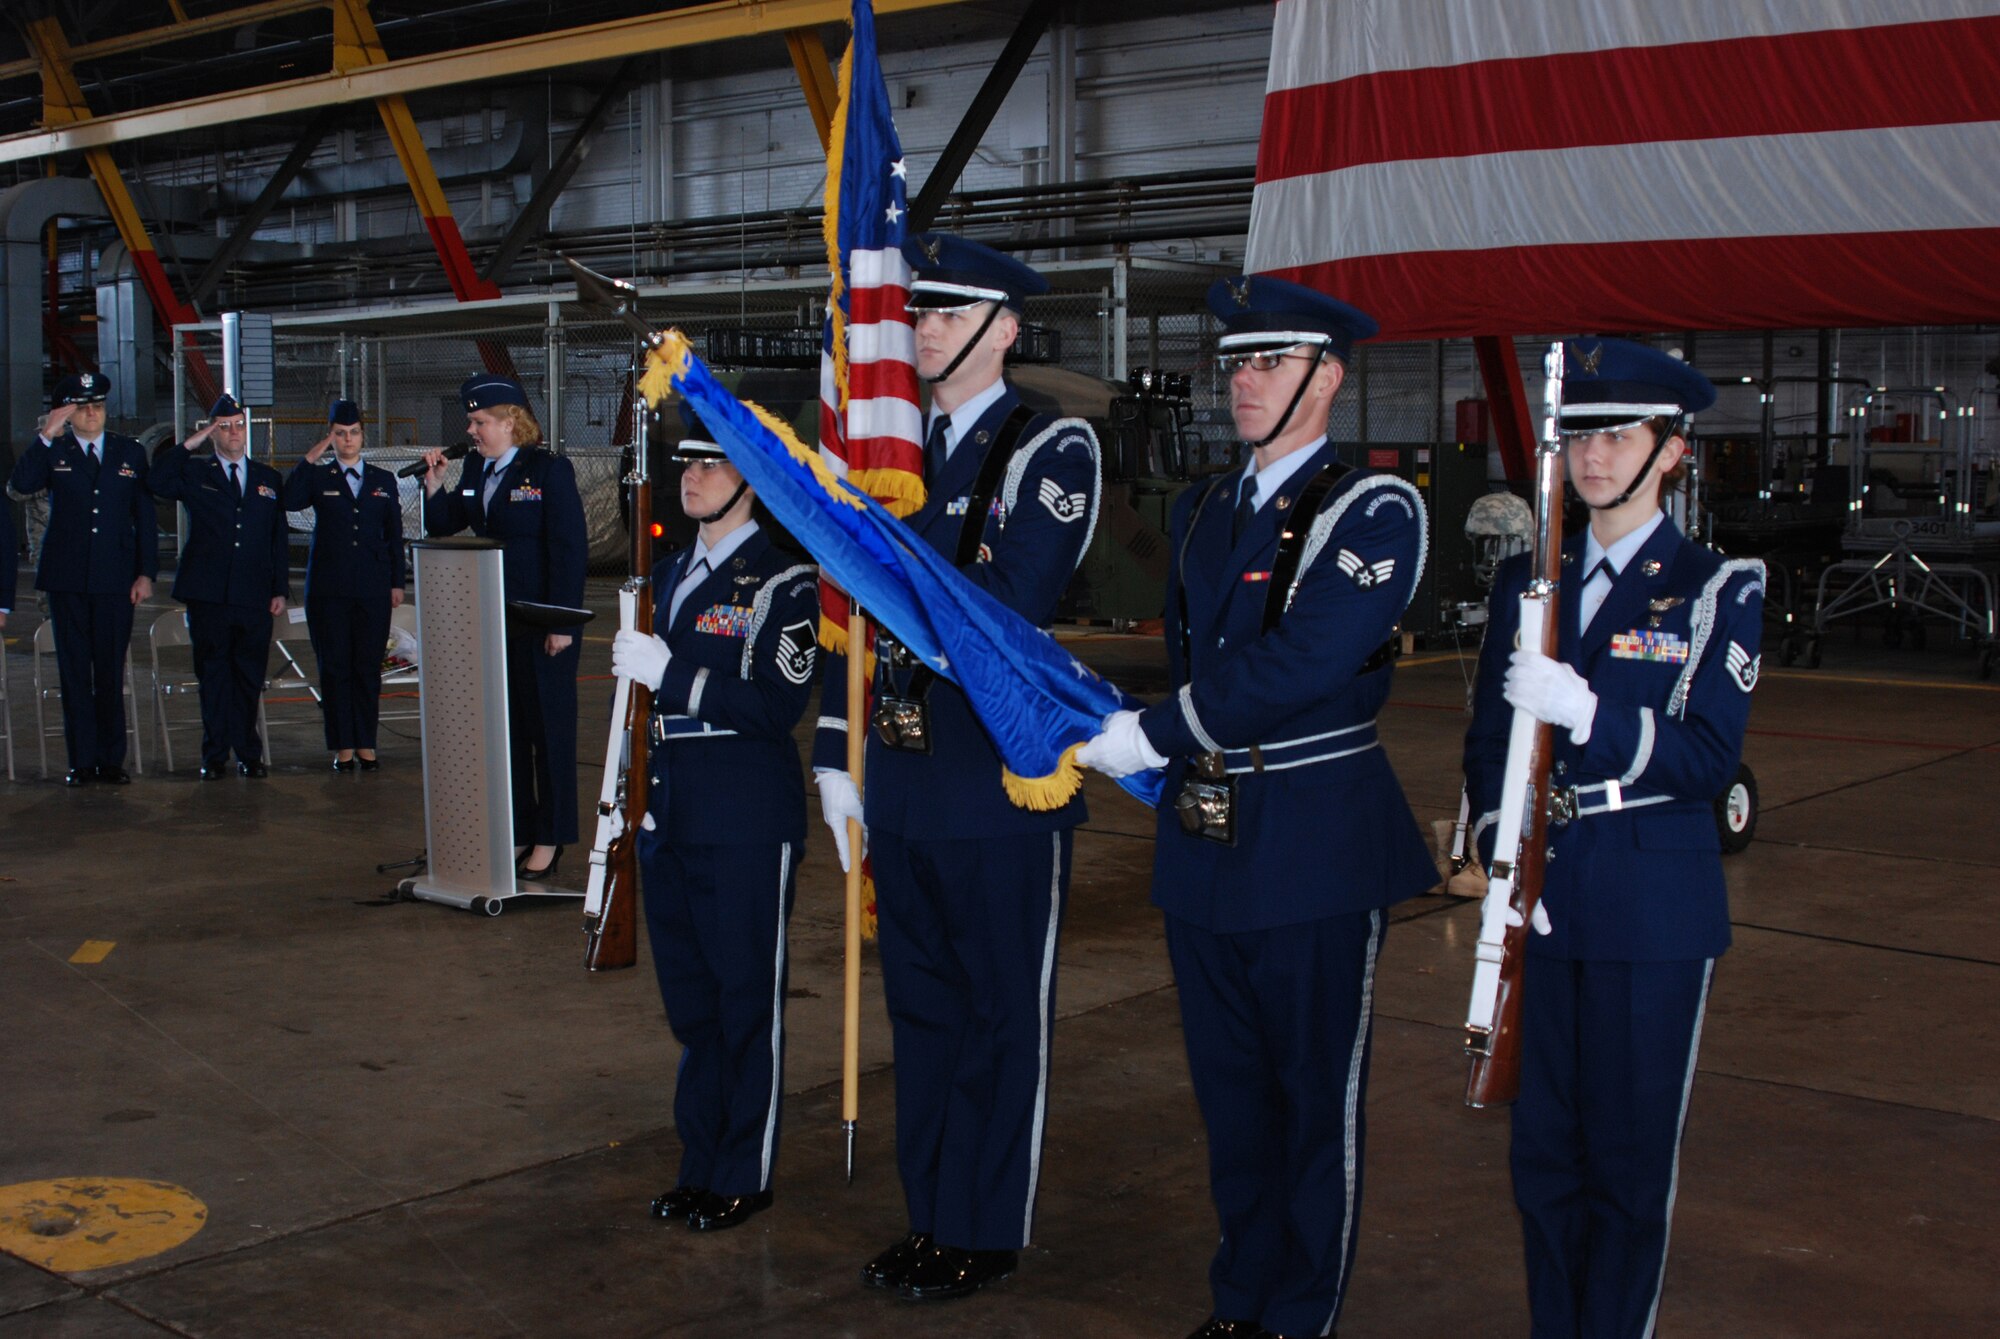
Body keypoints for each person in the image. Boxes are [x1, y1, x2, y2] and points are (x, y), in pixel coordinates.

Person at [1075, 275, 1438, 1339]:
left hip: (1314, 835)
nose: (1242, 381)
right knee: (1231, 1096)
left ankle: (1297, 1313)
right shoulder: (1203, 508)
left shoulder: (1370, 507)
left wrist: (1155, 731)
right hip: (1207, 838)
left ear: (1325, 378)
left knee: (1310, 1097)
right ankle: (1240, 1298)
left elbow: (1301, 661)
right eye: (1234, 362)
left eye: (1269, 363)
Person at [812, 232, 1102, 1302]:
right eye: (917, 312)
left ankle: (984, 1225)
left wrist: (898, 524)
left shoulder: (1048, 447)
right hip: (905, 776)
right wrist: (836, 754)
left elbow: (1008, 600)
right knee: (923, 1016)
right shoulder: (891, 444)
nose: (922, 328)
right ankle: (929, 1214)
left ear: (1003, 328)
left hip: (997, 778)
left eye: (943, 311)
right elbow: (851, 614)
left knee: (995, 1014)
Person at [1462, 340, 1763, 1338]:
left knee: (1626, 1164)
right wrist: (1501, 835)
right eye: (1579, 433)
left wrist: (1593, 716)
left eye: (1620, 433)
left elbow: (1706, 756)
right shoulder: (1526, 581)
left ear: (1670, 450)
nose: (1593, 456)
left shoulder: (1716, 587)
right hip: (1541, 894)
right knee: (1542, 1156)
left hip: (1648, 903)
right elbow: (1486, 736)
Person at [608, 408, 820, 1234]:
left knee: (744, 1000)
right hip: (671, 810)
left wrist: (676, 673)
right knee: (694, 1007)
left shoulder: (783, 581)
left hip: (743, 815)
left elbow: (775, 704)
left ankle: (745, 1169)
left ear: (749, 482)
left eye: (710, 465)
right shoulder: (665, 574)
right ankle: (700, 1160)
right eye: (684, 464)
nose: (690, 475)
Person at [421, 375, 586, 879]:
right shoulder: (475, 467)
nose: (471, 430)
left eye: (479, 422)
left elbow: (568, 549)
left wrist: (561, 623)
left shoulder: (548, 471)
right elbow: (450, 522)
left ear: (511, 421)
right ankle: (519, 829)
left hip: (542, 627)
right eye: (471, 422)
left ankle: (552, 837)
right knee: (508, 734)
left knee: (548, 733)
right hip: (493, 624)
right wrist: (434, 488)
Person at [9, 372, 159, 786]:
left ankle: (111, 760)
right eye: (83, 407)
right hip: (68, 580)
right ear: (68, 413)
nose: (92, 414)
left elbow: (143, 517)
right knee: (75, 672)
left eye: (98, 406)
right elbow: (20, 485)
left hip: (115, 580)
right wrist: (46, 435)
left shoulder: (129, 453)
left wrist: (146, 573)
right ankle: (82, 761)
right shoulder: (55, 452)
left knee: (110, 672)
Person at [149, 393, 292, 779]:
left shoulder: (267, 478)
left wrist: (279, 587)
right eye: (223, 426)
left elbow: (277, 537)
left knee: (248, 676)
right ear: (213, 433)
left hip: (253, 593)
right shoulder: (198, 473)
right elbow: (157, 480)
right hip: (208, 593)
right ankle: (214, 756)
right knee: (213, 675)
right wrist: (190, 444)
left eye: (238, 425)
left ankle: (249, 753)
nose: (233, 433)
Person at [282, 398, 406, 772]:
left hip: (372, 588)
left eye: (353, 433)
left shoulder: (383, 481)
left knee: (366, 667)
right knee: (335, 667)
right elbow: (288, 499)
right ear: (331, 437)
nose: (348, 440)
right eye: (340, 434)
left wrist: (396, 582)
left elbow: (393, 535)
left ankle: (366, 742)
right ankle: (342, 745)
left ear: (362, 436)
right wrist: (310, 458)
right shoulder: (320, 478)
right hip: (328, 589)